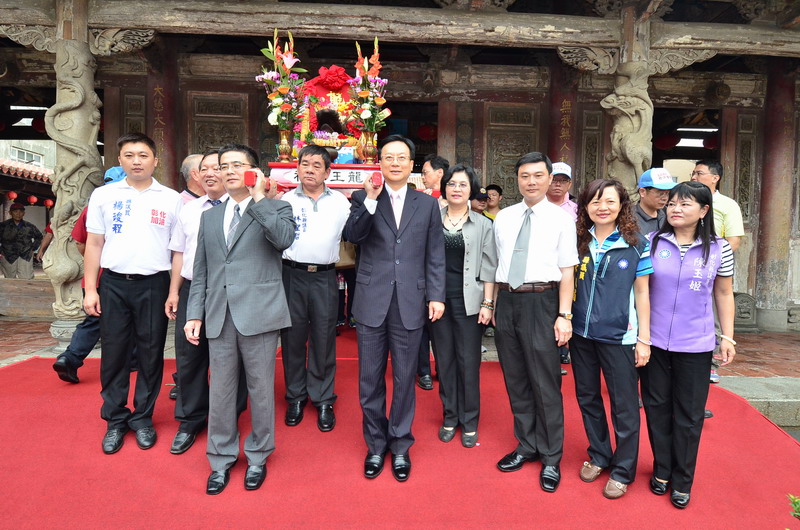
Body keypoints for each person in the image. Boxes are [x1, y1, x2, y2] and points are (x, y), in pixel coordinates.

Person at [185, 143, 295, 495]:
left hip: (260, 313)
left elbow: (283, 240)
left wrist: (260, 197)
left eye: (238, 165)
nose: (228, 170)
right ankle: (220, 458)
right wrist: (194, 314)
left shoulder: (277, 208)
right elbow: (202, 270)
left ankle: (259, 455)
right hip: (219, 312)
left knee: (261, 390)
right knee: (221, 391)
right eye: (223, 165)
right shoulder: (210, 216)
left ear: (254, 171)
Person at [343, 134, 445, 482]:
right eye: (389, 157)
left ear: (412, 164)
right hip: (372, 300)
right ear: (380, 163)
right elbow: (352, 236)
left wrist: (436, 295)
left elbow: (434, 253)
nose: (396, 162)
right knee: (369, 379)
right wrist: (370, 201)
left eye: (403, 157)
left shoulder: (428, 204)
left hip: (411, 301)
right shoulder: (363, 196)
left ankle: (400, 445)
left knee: (404, 378)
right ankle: (375, 445)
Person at [83, 133, 181, 455]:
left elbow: (177, 250)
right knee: (114, 353)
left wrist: (173, 291)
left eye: (142, 155)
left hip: (154, 283)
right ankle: (115, 419)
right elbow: (94, 244)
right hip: (113, 283)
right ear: (119, 159)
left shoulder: (171, 198)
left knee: (151, 353)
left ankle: (142, 418)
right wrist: (90, 288)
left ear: (155, 160)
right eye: (129, 155)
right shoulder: (104, 195)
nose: (136, 161)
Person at [641, 181, 736, 509]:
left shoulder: (719, 248)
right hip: (653, 343)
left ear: (704, 211)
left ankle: (683, 479)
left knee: (689, 413)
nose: (676, 209)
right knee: (656, 408)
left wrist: (727, 336)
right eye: (672, 204)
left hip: (695, 344)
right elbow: (639, 292)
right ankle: (662, 468)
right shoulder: (651, 242)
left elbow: (724, 293)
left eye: (685, 204)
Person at [492, 152, 578, 493]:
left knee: (545, 383)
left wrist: (564, 315)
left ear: (548, 179)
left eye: (538, 176)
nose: (531, 181)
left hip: (543, 301)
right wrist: (494, 305)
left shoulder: (561, 219)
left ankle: (552, 456)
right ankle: (527, 445)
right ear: (517, 179)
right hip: (508, 301)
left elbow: (568, 271)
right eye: (525, 176)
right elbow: (498, 262)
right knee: (516, 379)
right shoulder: (504, 217)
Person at [570, 179, 652, 499]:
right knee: (587, 397)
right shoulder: (578, 242)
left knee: (625, 406)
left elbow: (643, 294)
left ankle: (623, 469)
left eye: (610, 202)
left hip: (620, 337)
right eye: (595, 202)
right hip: (581, 335)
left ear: (622, 206)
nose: (602, 208)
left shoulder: (637, 244)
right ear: (586, 207)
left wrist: (643, 339)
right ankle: (600, 454)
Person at [164, 149, 248, 455]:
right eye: (205, 169)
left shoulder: (243, 209)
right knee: (189, 356)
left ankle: (230, 417)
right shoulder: (189, 209)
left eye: (219, 167)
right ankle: (190, 420)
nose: (212, 173)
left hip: (230, 291)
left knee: (232, 358)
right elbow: (179, 253)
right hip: (191, 290)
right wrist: (174, 293)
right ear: (197, 175)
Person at [280, 144, 350, 431]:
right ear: (297, 168)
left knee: (323, 339)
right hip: (291, 275)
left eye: (316, 165)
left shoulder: (341, 203)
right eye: (304, 164)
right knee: (292, 338)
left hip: (324, 278)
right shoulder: (284, 200)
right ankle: (295, 396)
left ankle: (323, 398)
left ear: (327, 171)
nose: (309, 169)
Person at [429, 164, 497, 448]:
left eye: (463, 185)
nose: (457, 189)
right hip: (438, 301)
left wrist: (488, 303)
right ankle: (450, 416)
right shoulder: (431, 219)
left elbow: (490, 267)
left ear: (472, 191)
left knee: (468, 362)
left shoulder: (483, 224)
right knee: (444, 362)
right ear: (444, 187)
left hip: (471, 302)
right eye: (452, 184)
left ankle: (469, 421)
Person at [52, 167, 127, 384]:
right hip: (119, 275)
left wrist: (96, 259)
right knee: (129, 317)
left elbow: (79, 242)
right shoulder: (133, 203)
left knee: (94, 320)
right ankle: (130, 359)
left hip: (94, 276)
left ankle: (70, 357)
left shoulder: (94, 204)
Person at [690, 160, 744, 386]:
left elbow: (733, 240)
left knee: (711, 314)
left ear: (715, 178)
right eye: (693, 173)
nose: (693, 177)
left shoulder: (728, 205)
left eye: (699, 173)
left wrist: (710, 260)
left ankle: (710, 364)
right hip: (683, 265)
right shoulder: (686, 201)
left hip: (710, 267)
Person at [0, 203, 43, 279]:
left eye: (21, 211)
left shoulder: (29, 226)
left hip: (25, 255)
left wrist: (33, 248)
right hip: (8, 256)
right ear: (10, 213)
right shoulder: (3, 226)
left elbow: (39, 237)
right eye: (15, 211)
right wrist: (1, 251)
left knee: (27, 279)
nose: (18, 214)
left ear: (24, 213)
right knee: (10, 280)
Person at [634, 168, 676, 237]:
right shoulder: (628, 218)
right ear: (642, 192)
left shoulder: (670, 213)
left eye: (668, 193)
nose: (665, 198)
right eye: (660, 193)